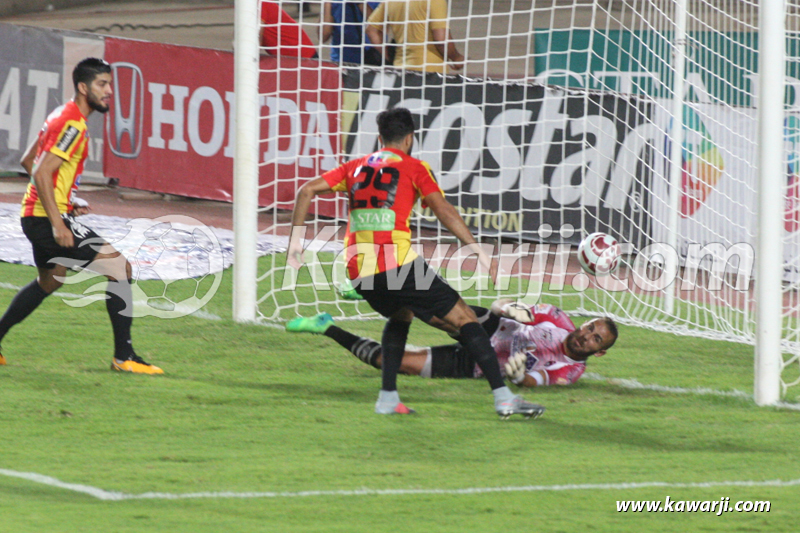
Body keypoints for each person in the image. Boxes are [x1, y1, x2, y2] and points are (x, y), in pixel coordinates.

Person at [287, 106, 543, 419]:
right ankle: (504, 399)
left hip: (358, 271)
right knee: (465, 319)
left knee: (401, 315)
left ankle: (387, 398)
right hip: (396, 265)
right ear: (410, 138)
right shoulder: (414, 167)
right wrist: (477, 250)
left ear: (380, 138)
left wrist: (295, 244)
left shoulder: (355, 167)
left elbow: (306, 190)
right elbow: (442, 209)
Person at [0, 58, 163, 375]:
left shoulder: (60, 114)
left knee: (50, 280)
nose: (109, 91)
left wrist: (66, 200)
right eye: (102, 84)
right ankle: (124, 357)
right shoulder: (73, 124)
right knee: (120, 268)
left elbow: (29, 160)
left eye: (110, 84)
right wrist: (58, 222)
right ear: (83, 87)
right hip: (45, 220)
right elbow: (41, 171)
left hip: (33, 215)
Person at [287, 301, 618, 387]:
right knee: (430, 310)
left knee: (392, 364)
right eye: (590, 328)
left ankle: (326, 326)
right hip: (491, 328)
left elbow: (532, 381)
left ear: (599, 352)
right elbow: (503, 306)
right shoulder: (557, 319)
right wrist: (512, 311)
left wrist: (518, 374)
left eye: (595, 339)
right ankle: (367, 286)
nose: (586, 336)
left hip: (479, 364)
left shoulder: (571, 371)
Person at [365, 0, 464, 73]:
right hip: (430, 72)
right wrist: (456, 58)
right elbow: (441, 40)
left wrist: (387, 56)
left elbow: (371, 30)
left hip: (400, 69)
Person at [321, 1, 383, 65]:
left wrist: (360, 3)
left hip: (371, 57)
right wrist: (328, 4)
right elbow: (323, 36)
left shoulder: (373, 2)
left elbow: (379, 27)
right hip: (342, 59)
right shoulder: (335, 3)